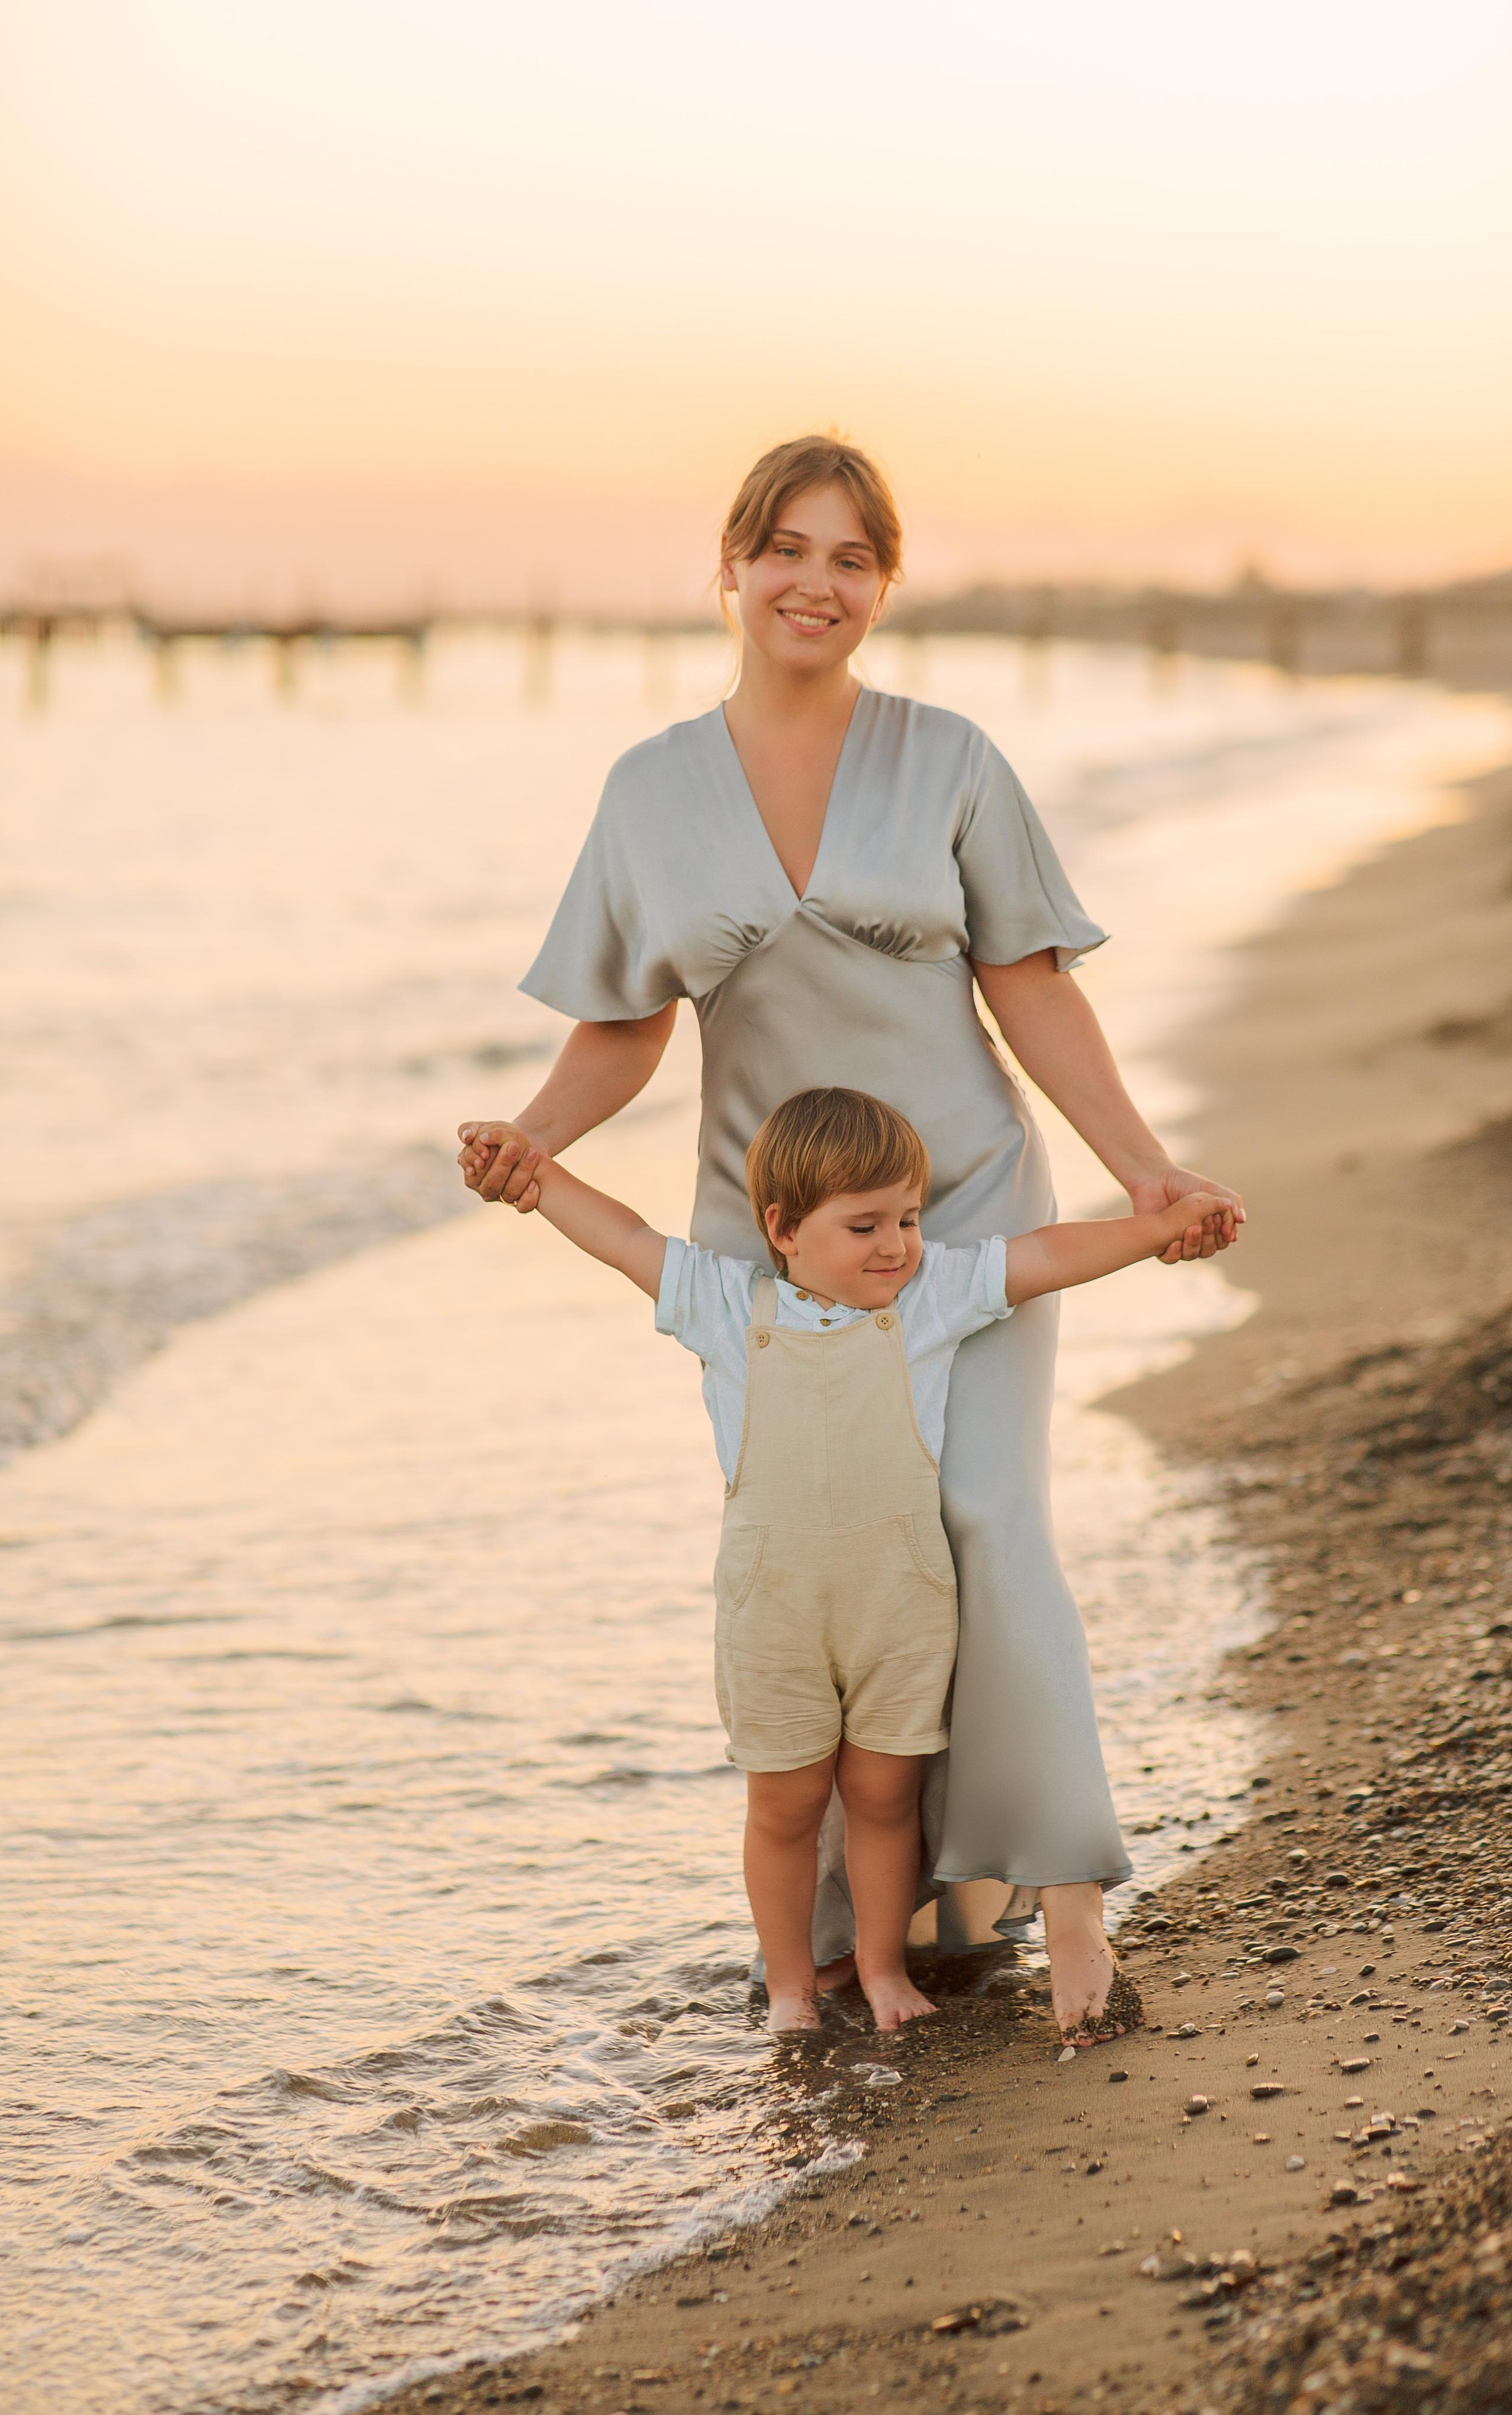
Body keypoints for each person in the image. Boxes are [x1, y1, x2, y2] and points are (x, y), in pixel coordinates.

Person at [459, 433, 1243, 2043]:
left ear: (883, 584)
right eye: (786, 550)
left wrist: (1142, 1174)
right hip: (763, 1245)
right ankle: (896, 1932)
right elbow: (626, 1028)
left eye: (850, 557)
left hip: (957, 1201)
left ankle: (1072, 1909)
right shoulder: (647, 789)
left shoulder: (946, 755)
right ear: (731, 565)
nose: (814, 583)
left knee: (980, 1520)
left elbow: (1029, 981)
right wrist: (532, 1145)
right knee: (835, 1557)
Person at [479, 1084, 1231, 2033]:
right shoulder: (724, 1306)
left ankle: (881, 1969)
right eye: (865, 1224)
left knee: (884, 1798)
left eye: (910, 1219)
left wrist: (1157, 1228)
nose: (896, 1245)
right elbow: (625, 1236)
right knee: (786, 1806)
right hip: (775, 1612)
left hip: (900, 1604)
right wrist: (531, 1175)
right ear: (784, 1228)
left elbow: (1042, 1255)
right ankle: (792, 1984)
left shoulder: (929, 1300)